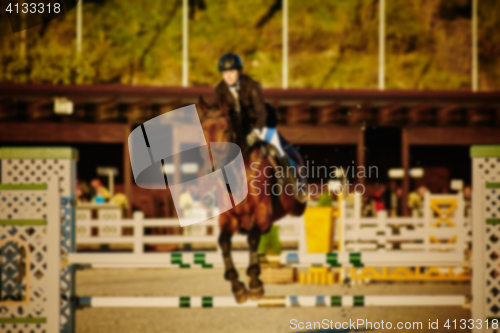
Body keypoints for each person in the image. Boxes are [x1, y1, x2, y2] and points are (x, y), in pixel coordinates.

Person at [214, 52, 306, 202]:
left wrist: (255, 133)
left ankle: (295, 184)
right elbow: (219, 114)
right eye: (225, 73)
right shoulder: (219, 91)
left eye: (231, 71)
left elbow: (261, 112)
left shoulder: (251, 85)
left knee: (275, 147)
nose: (228, 76)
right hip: (237, 130)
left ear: (239, 71)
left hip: (260, 125)